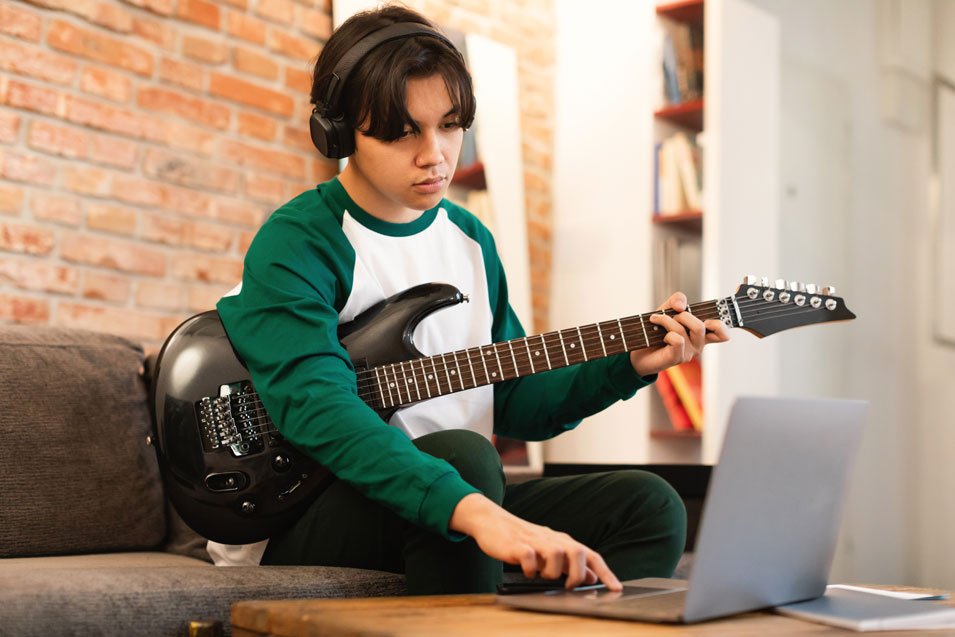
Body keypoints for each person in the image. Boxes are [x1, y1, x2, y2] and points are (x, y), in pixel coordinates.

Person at [209, 4, 730, 595]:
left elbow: (513, 397)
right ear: (338, 131)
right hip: (302, 511)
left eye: (451, 124)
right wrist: (481, 513)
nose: (436, 154)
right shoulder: (301, 238)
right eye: (404, 131)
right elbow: (317, 407)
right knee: (467, 461)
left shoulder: (471, 239)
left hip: (457, 489)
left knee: (648, 504)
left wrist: (630, 364)